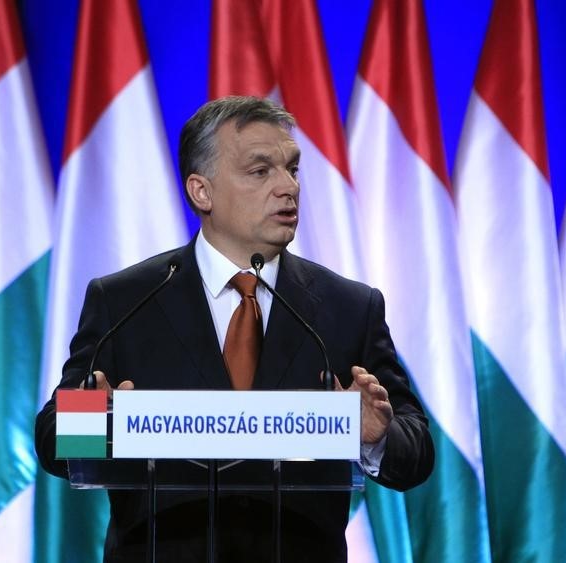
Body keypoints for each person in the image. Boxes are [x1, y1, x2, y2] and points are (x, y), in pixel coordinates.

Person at [35, 96, 434, 562]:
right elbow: (51, 439)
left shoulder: (348, 307)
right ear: (201, 191)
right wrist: (95, 422)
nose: (288, 188)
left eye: (293, 169)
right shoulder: (125, 301)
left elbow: (417, 451)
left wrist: (374, 436)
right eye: (260, 171)